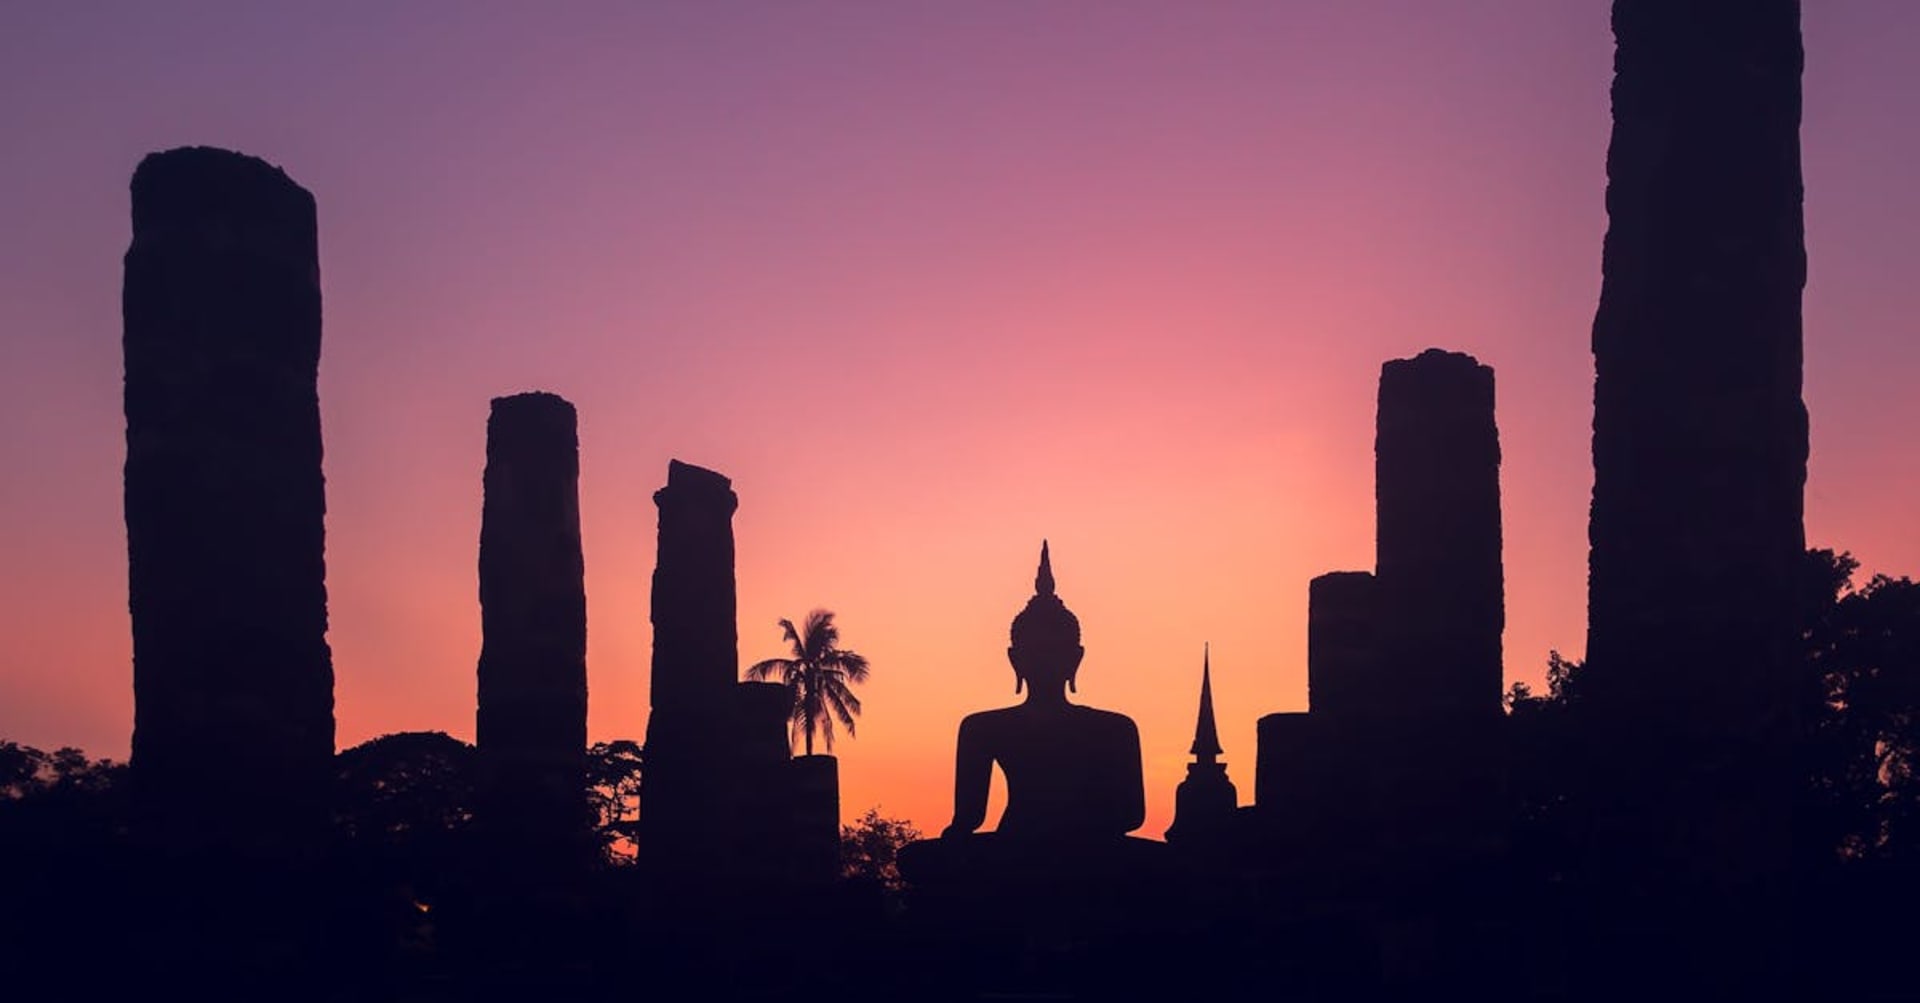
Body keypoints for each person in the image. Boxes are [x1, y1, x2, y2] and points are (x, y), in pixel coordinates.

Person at [942, 542, 1145, 843]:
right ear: (1015, 659)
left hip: (1072, 850)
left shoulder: (1115, 730)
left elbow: (1131, 815)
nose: (1045, 662)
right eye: (1037, 653)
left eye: (1053, 653)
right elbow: (967, 818)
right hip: (1054, 849)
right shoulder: (982, 729)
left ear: (1075, 658)